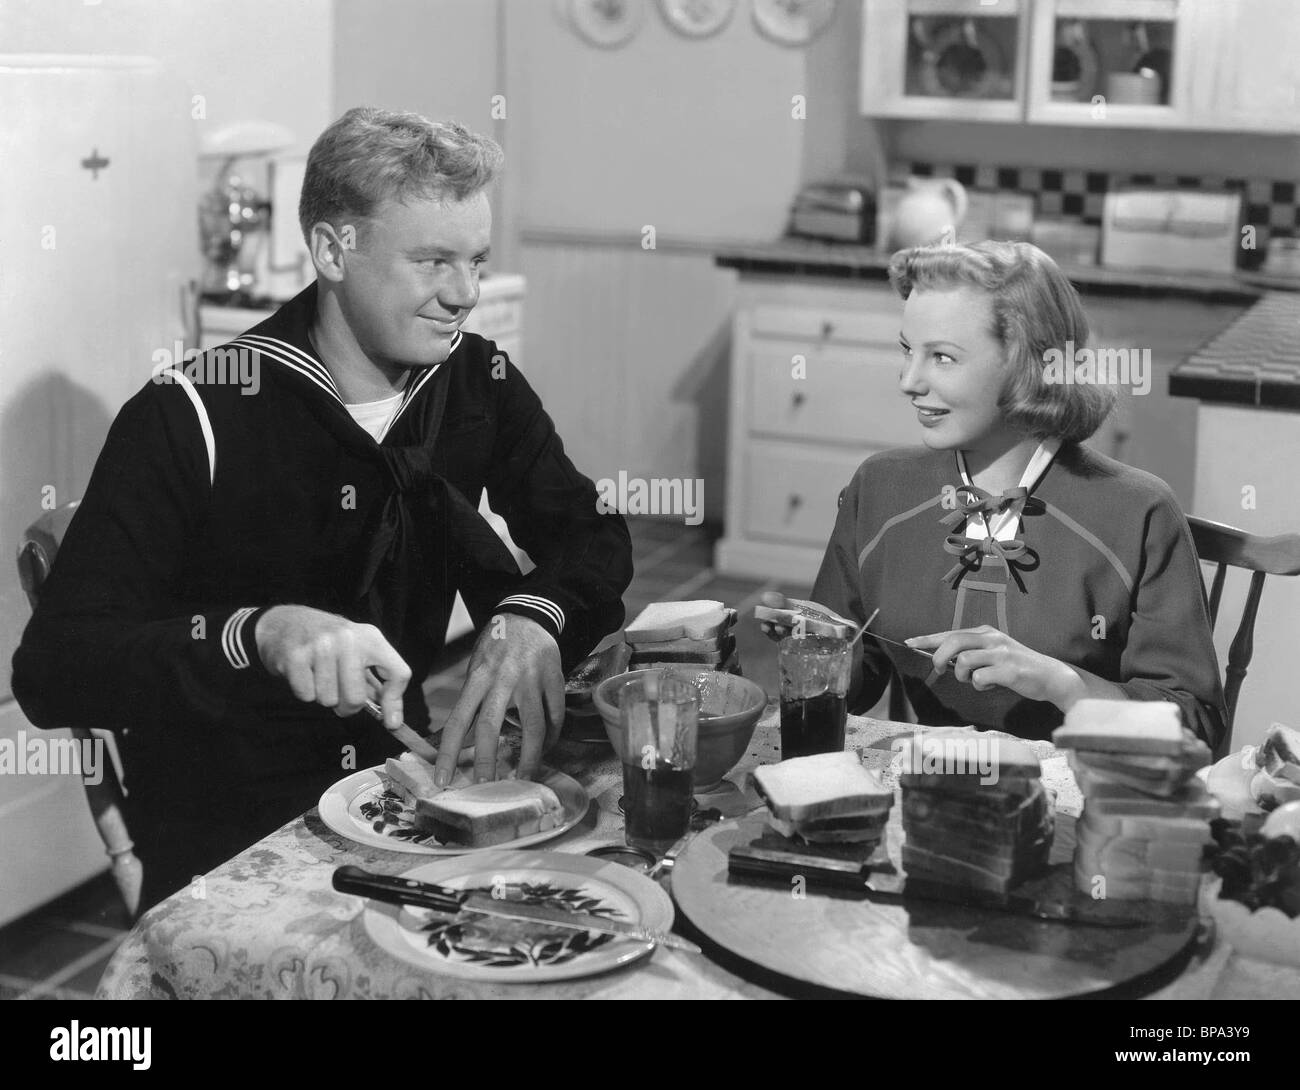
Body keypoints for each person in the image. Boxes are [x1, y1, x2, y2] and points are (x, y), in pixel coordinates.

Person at [12, 107, 633, 907]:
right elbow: (55, 668)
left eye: (476, 260)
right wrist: (258, 634)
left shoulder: (475, 379)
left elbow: (591, 534)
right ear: (333, 250)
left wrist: (534, 614)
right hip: (228, 833)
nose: (466, 294)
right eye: (433, 261)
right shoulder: (189, 415)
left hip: (400, 793)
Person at [761, 240, 1225, 748]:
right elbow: (863, 677)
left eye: (942, 356)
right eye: (906, 350)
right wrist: (824, 655)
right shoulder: (879, 486)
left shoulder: (1140, 512)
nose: (908, 381)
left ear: (1025, 364)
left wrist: (1060, 682)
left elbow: (1194, 728)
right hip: (927, 792)